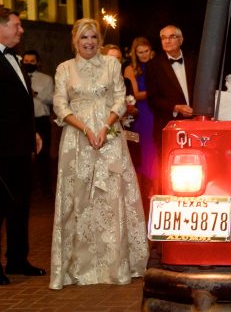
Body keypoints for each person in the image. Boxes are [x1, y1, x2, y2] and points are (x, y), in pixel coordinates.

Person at [50, 18, 148, 289]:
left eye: (93, 37)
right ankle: (76, 268)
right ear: (75, 40)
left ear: (99, 40)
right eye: (84, 38)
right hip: (76, 140)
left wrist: (105, 126)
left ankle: (116, 264)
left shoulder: (111, 64)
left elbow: (119, 97)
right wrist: (84, 128)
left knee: (112, 195)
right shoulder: (64, 69)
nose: (89, 42)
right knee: (78, 199)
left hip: (110, 137)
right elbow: (59, 103)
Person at [0, 7, 45, 284]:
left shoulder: (15, 58)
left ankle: (17, 259)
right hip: (0, 149)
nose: (21, 29)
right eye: (16, 25)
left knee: (21, 205)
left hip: (20, 147)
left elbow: (21, 104)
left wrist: (33, 134)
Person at [145, 24, 196, 196]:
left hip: (195, 124)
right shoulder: (153, 65)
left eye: (171, 36)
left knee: (194, 166)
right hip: (166, 125)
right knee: (167, 168)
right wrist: (176, 108)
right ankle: (168, 202)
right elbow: (152, 99)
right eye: (163, 38)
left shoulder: (193, 60)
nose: (167, 40)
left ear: (180, 40)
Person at [124, 36, 156, 203]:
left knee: (156, 149)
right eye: (140, 52)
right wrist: (159, 91)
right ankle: (143, 189)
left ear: (151, 51)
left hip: (155, 111)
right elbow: (135, 94)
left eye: (146, 51)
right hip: (142, 113)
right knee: (145, 149)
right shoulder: (131, 69)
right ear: (135, 53)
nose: (144, 55)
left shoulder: (157, 66)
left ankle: (155, 186)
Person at [21, 49, 55, 197]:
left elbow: (51, 99)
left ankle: (45, 188)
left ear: (38, 63)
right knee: (22, 155)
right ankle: (25, 187)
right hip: (22, 121)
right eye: (26, 61)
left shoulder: (46, 79)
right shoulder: (17, 76)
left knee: (43, 155)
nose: (28, 64)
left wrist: (34, 93)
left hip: (41, 121)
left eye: (32, 61)